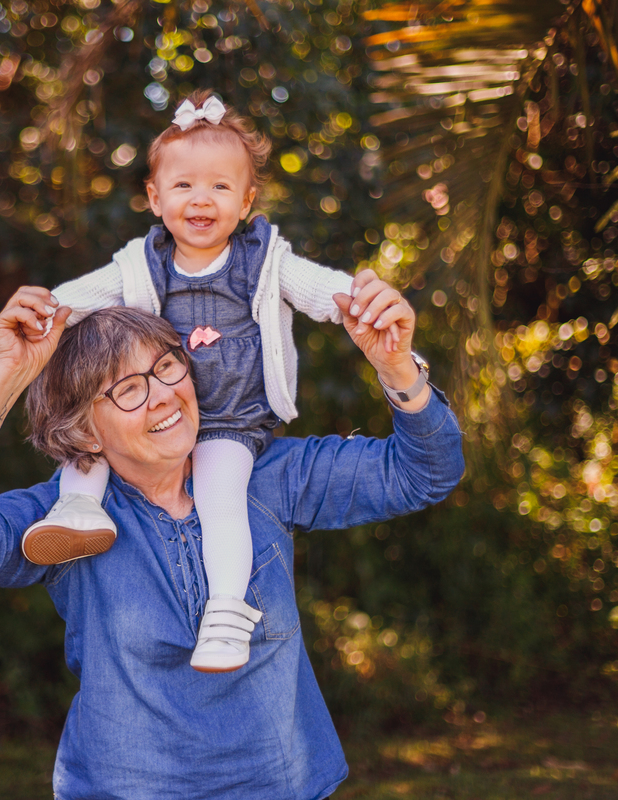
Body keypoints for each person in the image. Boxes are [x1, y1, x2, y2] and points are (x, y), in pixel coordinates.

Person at [0, 277, 464, 799]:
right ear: (84, 433)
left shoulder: (266, 477)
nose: (165, 394)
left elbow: (425, 473)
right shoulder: (65, 520)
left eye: (168, 367)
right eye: (127, 390)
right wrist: (5, 376)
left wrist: (398, 371)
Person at [19, 90, 384, 672]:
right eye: (184, 185)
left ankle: (226, 614)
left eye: (220, 186)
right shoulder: (143, 263)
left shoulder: (265, 260)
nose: (201, 198)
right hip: (152, 412)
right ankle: (79, 511)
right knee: (93, 434)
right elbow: (82, 298)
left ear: (246, 201)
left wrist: (358, 302)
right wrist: (44, 310)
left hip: (228, 424)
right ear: (155, 197)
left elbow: (320, 289)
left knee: (220, 503)